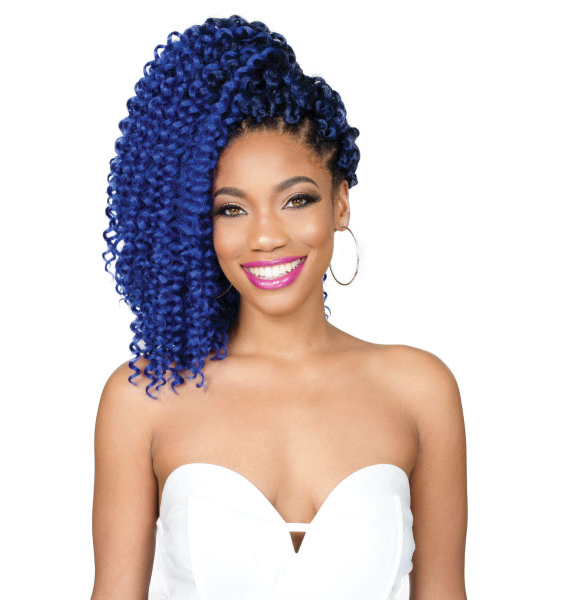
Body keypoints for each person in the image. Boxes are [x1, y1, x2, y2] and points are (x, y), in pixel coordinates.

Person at [92, 14, 468, 600]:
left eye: (296, 200)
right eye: (232, 209)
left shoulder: (420, 390)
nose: (266, 236)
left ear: (340, 203)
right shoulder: (145, 398)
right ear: (197, 225)